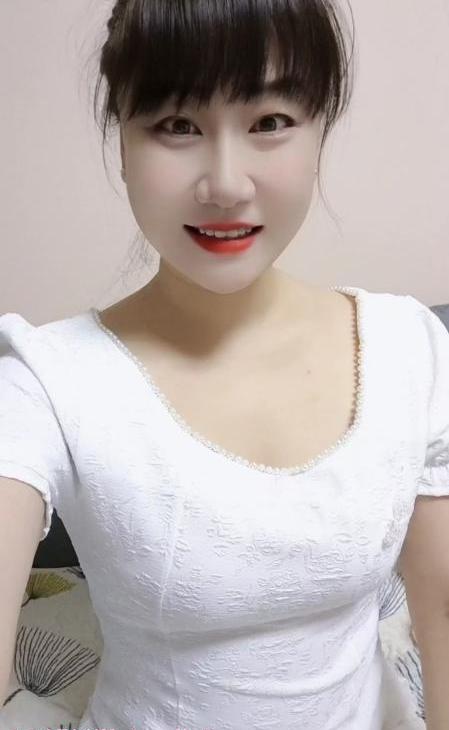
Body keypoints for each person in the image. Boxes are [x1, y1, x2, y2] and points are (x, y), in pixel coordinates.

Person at [0, 1, 448, 728]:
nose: (227, 184)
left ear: (320, 128)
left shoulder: (408, 347)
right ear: (122, 139)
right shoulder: (46, 381)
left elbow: (444, 609)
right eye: (177, 125)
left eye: (270, 121)